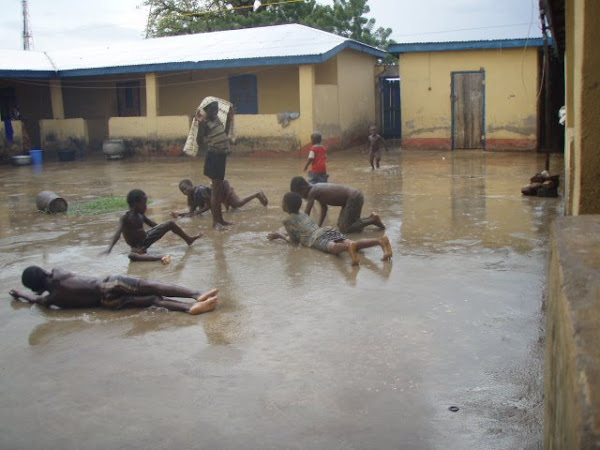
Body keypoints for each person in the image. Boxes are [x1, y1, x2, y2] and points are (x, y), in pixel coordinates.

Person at [9, 266, 218, 315]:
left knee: (153, 300)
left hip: (106, 303)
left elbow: (36, 300)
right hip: (107, 284)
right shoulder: (58, 273)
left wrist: (21, 295)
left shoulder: (51, 300)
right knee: (152, 285)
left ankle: (189, 309)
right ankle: (195, 294)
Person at [267, 192, 392, 266]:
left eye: (282, 202)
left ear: (286, 206)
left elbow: (294, 241)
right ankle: (380, 241)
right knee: (353, 244)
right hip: (325, 230)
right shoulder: (302, 213)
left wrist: (279, 235)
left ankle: (349, 248)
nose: (281, 204)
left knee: (333, 248)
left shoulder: (287, 221)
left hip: (315, 238)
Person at [103, 189, 202, 262]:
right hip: (136, 247)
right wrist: (109, 248)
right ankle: (159, 257)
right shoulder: (125, 218)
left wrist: (165, 228)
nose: (146, 207)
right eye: (144, 204)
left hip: (146, 238)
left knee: (170, 223)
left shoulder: (140, 215)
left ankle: (188, 239)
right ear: (135, 204)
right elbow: (117, 234)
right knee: (132, 256)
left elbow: (152, 225)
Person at [290, 176, 386, 233]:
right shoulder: (316, 190)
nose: (302, 198)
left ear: (303, 188)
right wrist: (318, 227)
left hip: (354, 197)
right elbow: (324, 209)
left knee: (346, 228)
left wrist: (299, 226)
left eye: (300, 195)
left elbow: (307, 212)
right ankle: (370, 219)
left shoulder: (313, 191)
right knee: (341, 225)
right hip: (349, 199)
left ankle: (373, 219)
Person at [196, 98, 235, 230]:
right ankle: (215, 222)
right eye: (212, 109)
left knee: (217, 190)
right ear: (206, 111)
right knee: (215, 191)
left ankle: (220, 220)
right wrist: (200, 123)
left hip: (221, 156)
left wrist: (229, 120)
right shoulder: (206, 123)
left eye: (216, 109)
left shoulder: (217, 120)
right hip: (214, 157)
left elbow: (223, 133)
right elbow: (200, 142)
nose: (215, 111)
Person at [171, 179, 268, 218]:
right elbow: (191, 212)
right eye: (182, 191)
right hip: (218, 192)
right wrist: (180, 215)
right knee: (234, 209)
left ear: (191, 185)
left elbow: (209, 206)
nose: (185, 191)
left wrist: (195, 213)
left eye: (185, 188)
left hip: (223, 186)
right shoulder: (191, 198)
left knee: (238, 203)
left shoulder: (200, 190)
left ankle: (256, 194)